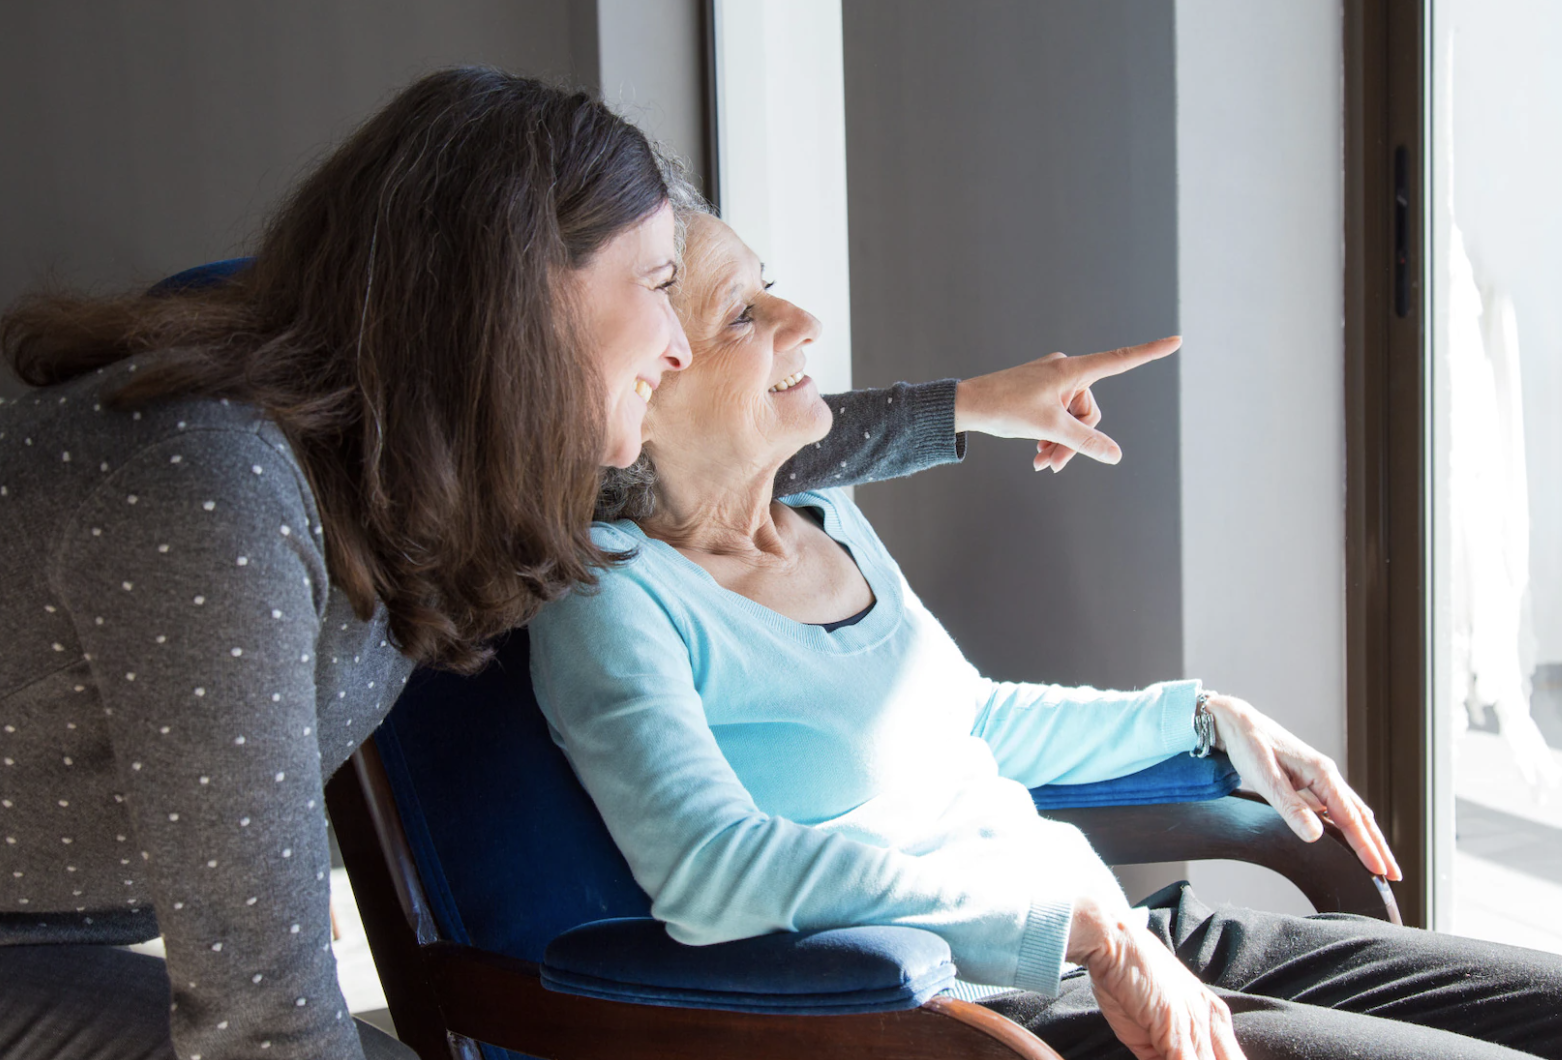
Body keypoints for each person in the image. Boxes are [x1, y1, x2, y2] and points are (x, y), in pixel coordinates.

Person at [0, 68, 1127, 1060]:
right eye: (653, 286)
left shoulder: (436, 466)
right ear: (522, 293)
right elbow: (263, 1022)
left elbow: (712, 441)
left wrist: (965, 410)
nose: (681, 347)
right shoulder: (215, 492)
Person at [528, 208, 1562, 1060]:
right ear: (644, 381)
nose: (803, 319)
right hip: (985, 1010)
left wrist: (1204, 717)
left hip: (1121, 932)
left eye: (770, 284)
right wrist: (1082, 930)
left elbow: (970, 721)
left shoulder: (823, 514)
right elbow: (714, 877)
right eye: (745, 313)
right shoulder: (614, 601)